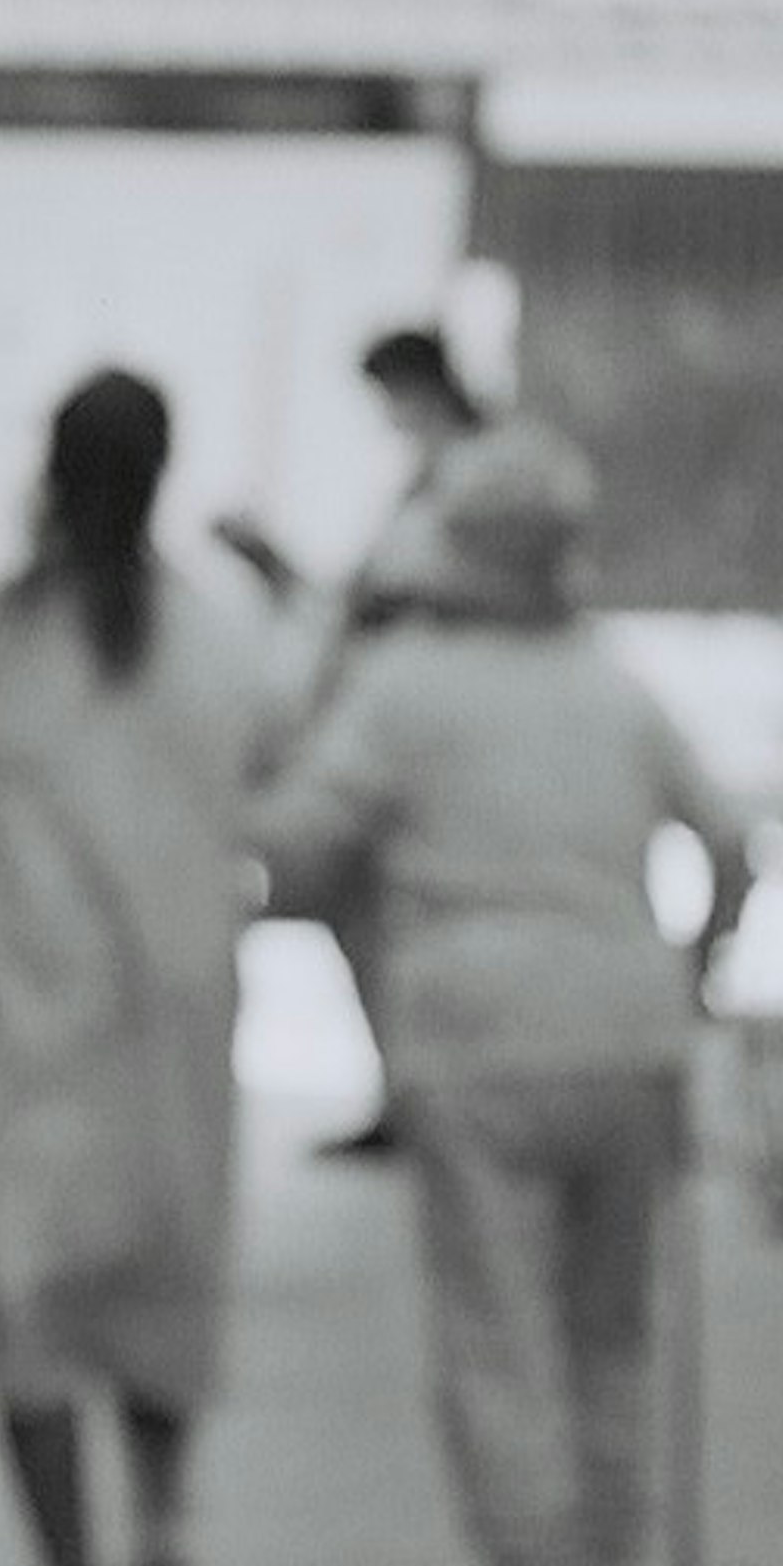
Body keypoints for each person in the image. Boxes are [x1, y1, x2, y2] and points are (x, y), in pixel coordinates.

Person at [254, 421, 742, 1566]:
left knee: (499, 1328)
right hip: (629, 1026)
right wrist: (695, 976)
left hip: (475, 1031)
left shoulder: (408, 683)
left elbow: (299, 846)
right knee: (615, 1328)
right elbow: (733, 847)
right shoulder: (612, 681)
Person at [0, 368, 288, 1566]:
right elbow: (285, 799)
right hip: (175, 1017)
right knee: (162, 1280)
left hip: (17, 1012)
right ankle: (165, 1544)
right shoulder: (222, 640)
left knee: (31, 1301)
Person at [216, 262, 531, 1154]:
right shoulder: (432, 482)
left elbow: (400, 602)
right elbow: (358, 605)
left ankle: (429, 1091)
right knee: (375, 918)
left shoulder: (475, 482)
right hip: (405, 724)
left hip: (446, 736)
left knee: (395, 916)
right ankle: (411, 1089)